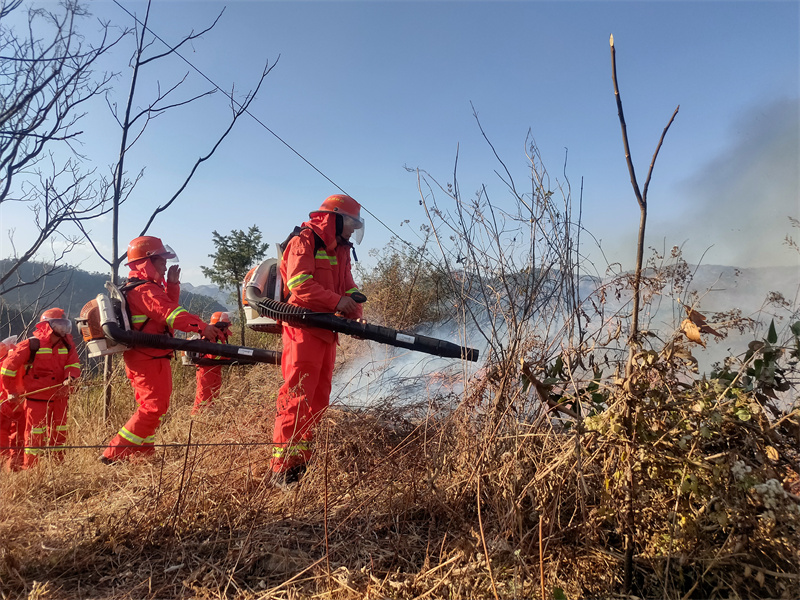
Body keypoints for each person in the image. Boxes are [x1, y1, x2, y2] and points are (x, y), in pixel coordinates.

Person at [101, 236, 224, 463]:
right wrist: (202, 327)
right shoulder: (145, 290)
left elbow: (165, 311)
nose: (165, 265)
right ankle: (114, 453)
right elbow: (171, 315)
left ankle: (143, 452)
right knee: (154, 407)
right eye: (161, 261)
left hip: (147, 355)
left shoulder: (144, 288)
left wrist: (173, 285)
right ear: (147, 262)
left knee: (151, 406)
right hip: (149, 357)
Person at [271, 194, 365, 485]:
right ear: (334, 218)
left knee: (319, 399)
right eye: (350, 223)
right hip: (303, 329)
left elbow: (348, 287)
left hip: (327, 332)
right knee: (297, 397)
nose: (351, 230)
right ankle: (282, 468)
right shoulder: (304, 241)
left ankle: (302, 461)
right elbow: (300, 285)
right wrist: (338, 302)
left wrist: (354, 310)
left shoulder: (342, 249)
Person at [0, 309, 80, 469]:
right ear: (47, 326)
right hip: (35, 399)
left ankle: (58, 466)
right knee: (34, 436)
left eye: (65, 325)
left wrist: (70, 378)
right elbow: (8, 367)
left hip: (60, 396)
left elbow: (73, 364)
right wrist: (11, 391)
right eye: (59, 325)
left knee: (60, 432)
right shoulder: (31, 344)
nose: (63, 330)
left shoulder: (68, 344)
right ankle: (31, 469)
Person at [191, 311, 231, 415]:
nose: (228, 328)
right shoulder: (209, 336)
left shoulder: (219, 336)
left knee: (214, 395)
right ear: (221, 326)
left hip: (215, 369)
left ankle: (210, 415)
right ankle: (196, 418)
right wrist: (228, 356)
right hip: (206, 371)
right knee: (203, 397)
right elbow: (213, 354)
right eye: (226, 326)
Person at [0, 335, 25, 471]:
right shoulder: (16, 362)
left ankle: (11, 466)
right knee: (13, 437)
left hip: (13, 405)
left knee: (13, 437)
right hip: (13, 405)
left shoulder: (7, 363)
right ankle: (11, 466)